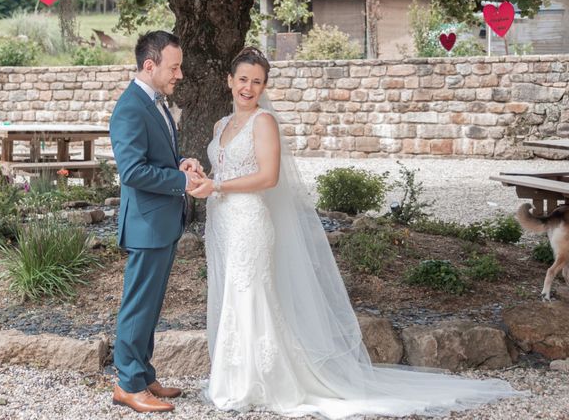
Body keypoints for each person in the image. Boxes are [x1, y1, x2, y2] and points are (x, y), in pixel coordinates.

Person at [188, 46, 524, 419]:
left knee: (250, 294)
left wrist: (218, 187)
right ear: (229, 81)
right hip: (224, 222)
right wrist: (200, 174)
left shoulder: (263, 122)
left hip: (250, 222)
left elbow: (267, 177)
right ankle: (237, 377)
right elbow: (227, 169)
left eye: (257, 81)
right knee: (232, 294)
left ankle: (264, 380)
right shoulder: (221, 125)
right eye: (243, 79)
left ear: (265, 85)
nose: (248, 87)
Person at [109, 30, 204, 413]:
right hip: (146, 225)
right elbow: (132, 171)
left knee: (150, 306)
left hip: (162, 222)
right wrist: (181, 181)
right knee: (137, 305)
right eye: (174, 66)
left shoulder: (156, 102)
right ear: (150, 66)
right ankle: (127, 385)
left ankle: (144, 374)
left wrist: (179, 165)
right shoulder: (130, 107)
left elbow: (155, 160)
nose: (179, 74)